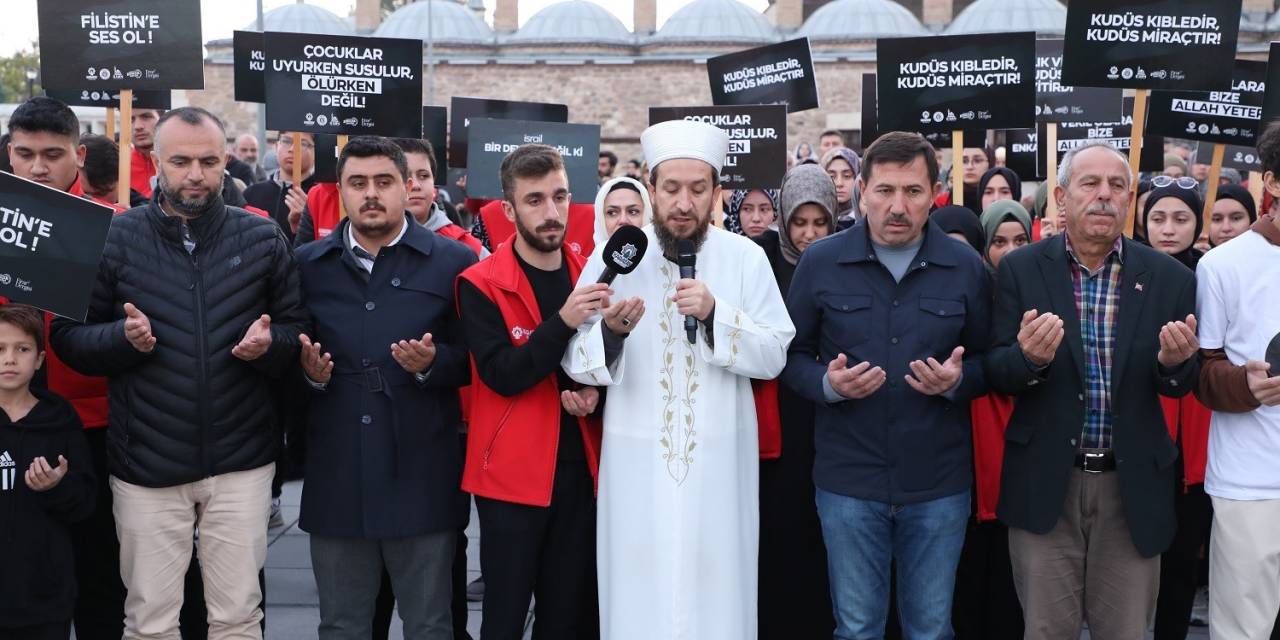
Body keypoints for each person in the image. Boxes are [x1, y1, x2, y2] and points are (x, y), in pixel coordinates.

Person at [50, 107, 308, 640]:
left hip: (241, 461)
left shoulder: (261, 238)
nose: (196, 174)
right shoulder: (115, 238)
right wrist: (122, 340)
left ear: (225, 164)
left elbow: (297, 333)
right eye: (182, 161)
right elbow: (69, 339)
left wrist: (270, 345)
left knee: (237, 618)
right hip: (146, 463)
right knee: (150, 621)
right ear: (157, 164)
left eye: (209, 161)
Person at [562, 119, 795, 640]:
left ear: (717, 192)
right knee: (637, 599)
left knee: (719, 600)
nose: (683, 203)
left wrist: (717, 314)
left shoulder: (745, 257)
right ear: (650, 189)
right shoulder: (615, 257)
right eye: (671, 188)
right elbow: (575, 358)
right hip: (635, 467)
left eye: (697, 189)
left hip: (721, 467)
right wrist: (613, 335)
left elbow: (775, 353)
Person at [985, 142, 1200, 640]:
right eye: (1089, 184)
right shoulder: (1021, 269)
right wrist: (1029, 360)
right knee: (1045, 630)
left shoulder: (1170, 278)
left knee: (1125, 632)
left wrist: (1173, 365)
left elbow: (1183, 382)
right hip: (1045, 487)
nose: (1104, 195)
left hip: (1132, 492)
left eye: (1116, 186)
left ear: (1130, 199)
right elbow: (995, 369)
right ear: (1062, 196)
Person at [783, 131, 990, 639]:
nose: (898, 206)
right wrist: (827, 386)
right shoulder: (821, 262)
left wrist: (960, 380)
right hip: (849, 483)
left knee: (931, 628)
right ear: (861, 192)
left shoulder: (966, 267)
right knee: (856, 628)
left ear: (936, 192)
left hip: (938, 485)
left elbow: (993, 358)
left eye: (913, 192)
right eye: (884, 191)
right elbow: (788, 356)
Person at [294, 136, 474, 640]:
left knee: (430, 623)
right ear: (339, 192)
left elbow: (475, 360)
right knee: (342, 624)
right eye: (358, 183)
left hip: (421, 470)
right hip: (338, 472)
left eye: (383, 182)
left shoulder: (451, 263)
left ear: (407, 186)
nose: (371, 194)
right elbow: (287, 352)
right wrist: (309, 373)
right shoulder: (307, 264)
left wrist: (434, 363)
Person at [458, 144, 605, 639]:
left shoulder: (589, 271)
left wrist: (595, 393)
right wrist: (563, 321)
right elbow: (503, 373)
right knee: (504, 613)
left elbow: (595, 364)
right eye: (536, 200)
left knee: (567, 615)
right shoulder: (479, 283)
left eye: (560, 197)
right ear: (508, 210)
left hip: (579, 470)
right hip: (511, 475)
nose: (552, 212)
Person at [6, 97, 128, 640]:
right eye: (26, 153)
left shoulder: (118, 226)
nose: (38, 167)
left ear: (78, 155)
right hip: (13, 419)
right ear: (9, 153)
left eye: (52, 154)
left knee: (102, 569)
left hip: (98, 422)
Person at [1193, 120, 1280, 640]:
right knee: (1244, 631)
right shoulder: (1223, 266)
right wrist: (1244, 385)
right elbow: (1202, 371)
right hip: (1254, 482)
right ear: (1272, 182)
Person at [754, 163, 836, 640]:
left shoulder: (842, 259)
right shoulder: (760, 257)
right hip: (773, 414)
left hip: (825, 410)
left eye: (819, 223)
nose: (808, 234)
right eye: (799, 223)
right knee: (779, 528)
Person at [1131, 181, 1215, 640]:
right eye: (1158, 217)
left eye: (1181, 219)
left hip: (1196, 440)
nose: (1168, 229)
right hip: (1142, 431)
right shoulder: (1126, 270)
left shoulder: (1213, 275)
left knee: (1182, 558)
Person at [953, 199, 1032, 640]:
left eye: (1019, 240)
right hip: (966, 449)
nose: (1009, 251)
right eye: (998, 241)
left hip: (1016, 449)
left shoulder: (1037, 290)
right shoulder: (974, 294)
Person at [0, 304, 97, 640]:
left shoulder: (59, 421)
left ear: (40, 359)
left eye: (22, 349)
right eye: (0, 349)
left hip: (44, 596)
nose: (10, 359)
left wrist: (57, 486)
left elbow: (84, 502)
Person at [244, 131, 317, 243]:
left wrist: (307, 223)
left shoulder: (321, 195)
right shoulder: (251, 193)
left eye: (302, 144)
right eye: (286, 141)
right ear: (276, 146)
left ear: (315, 151)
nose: (292, 149)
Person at [593, 176, 652, 246]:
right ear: (601, 218)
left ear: (647, 214)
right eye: (612, 213)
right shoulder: (591, 257)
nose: (623, 220)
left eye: (633, 212)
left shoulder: (661, 256)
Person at [936, 146, 993, 211]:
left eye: (977, 160)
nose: (970, 167)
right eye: (964, 161)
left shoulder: (998, 198)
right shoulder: (943, 202)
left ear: (990, 163)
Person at [821, 146, 862, 230]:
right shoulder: (816, 219)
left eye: (847, 176)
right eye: (832, 176)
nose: (839, 183)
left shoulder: (866, 219)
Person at [129, 108, 161, 199]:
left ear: (163, 119)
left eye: (146, 117)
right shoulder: (117, 167)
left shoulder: (183, 163)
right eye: (131, 119)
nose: (138, 126)